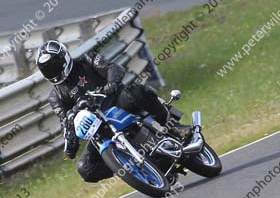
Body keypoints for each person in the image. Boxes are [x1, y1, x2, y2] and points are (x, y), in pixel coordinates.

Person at [36, 40, 190, 183]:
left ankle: (173, 127)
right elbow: (65, 121)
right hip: (98, 126)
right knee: (85, 168)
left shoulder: (87, 59)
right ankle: (133, 170)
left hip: (117, 102)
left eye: (55, 66)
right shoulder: (56, 97)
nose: (53, 72)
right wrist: (70, 141)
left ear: (64, 58)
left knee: (137, 91)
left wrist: (112, 83)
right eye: (48, 70)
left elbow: (113, 68)